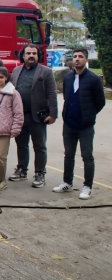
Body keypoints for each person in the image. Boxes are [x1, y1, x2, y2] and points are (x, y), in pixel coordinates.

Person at [53, 48, 106, 200]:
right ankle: (67, 182)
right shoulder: (68, 78)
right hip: (69, 124)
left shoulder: (94, 79)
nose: (77, 59)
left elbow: (100, 102)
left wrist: (89, 115)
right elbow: (67, 98)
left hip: (85, 126)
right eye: (75, 56)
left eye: (80, 56)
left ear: (86, 59)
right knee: (68, 155)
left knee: (87, 156)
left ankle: (87, 186)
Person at [9, 44, 58, 188]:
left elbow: (52, 93)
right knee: (21, 144)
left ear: (38, 55)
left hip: (38, 116)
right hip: (20, 116)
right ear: (23, 56)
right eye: (28, 53)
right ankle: (22, 170)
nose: (31, 56)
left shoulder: (46, 72)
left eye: (34, 53)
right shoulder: (16, 71)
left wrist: (53, 114)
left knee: (39, 146)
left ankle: (40, 173)